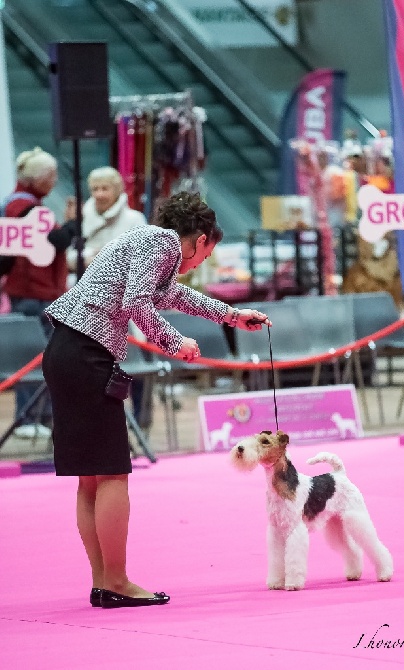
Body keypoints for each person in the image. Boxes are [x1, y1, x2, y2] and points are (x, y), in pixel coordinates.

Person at [42, 191, 271, 609]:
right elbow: (136, 304)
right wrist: (174, 340)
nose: (196, 265)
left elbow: (178, 298)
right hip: (86, 354)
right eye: (202, 257)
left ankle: (104, 580)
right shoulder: (161, 243)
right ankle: (117, 580)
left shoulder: (148, 244)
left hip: (65, 351)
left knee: (91, 477)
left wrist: (234, 316)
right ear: (200, 239)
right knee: (111, 473)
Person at [0, 147, 76, 438]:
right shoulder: (27, 209)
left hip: (30, 293)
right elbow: (55, 241)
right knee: (34, 356)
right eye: (52, 175)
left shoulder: (13, 204)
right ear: (39, 178)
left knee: (37, 356)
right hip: (36, 294)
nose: (56, 181)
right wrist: (72, 225)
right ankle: (30, 417)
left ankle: (38, 417)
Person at [65, 166, 148, 422]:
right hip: (87, 304)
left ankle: (141, 421)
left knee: (138, 366)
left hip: (128, 303)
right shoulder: (79, 218)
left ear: (118, 190)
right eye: (95, 189)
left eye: (105, 188)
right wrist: (93, 257)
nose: (99, 194)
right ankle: (101, 423)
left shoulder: (134, 220)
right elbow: (66, 259)